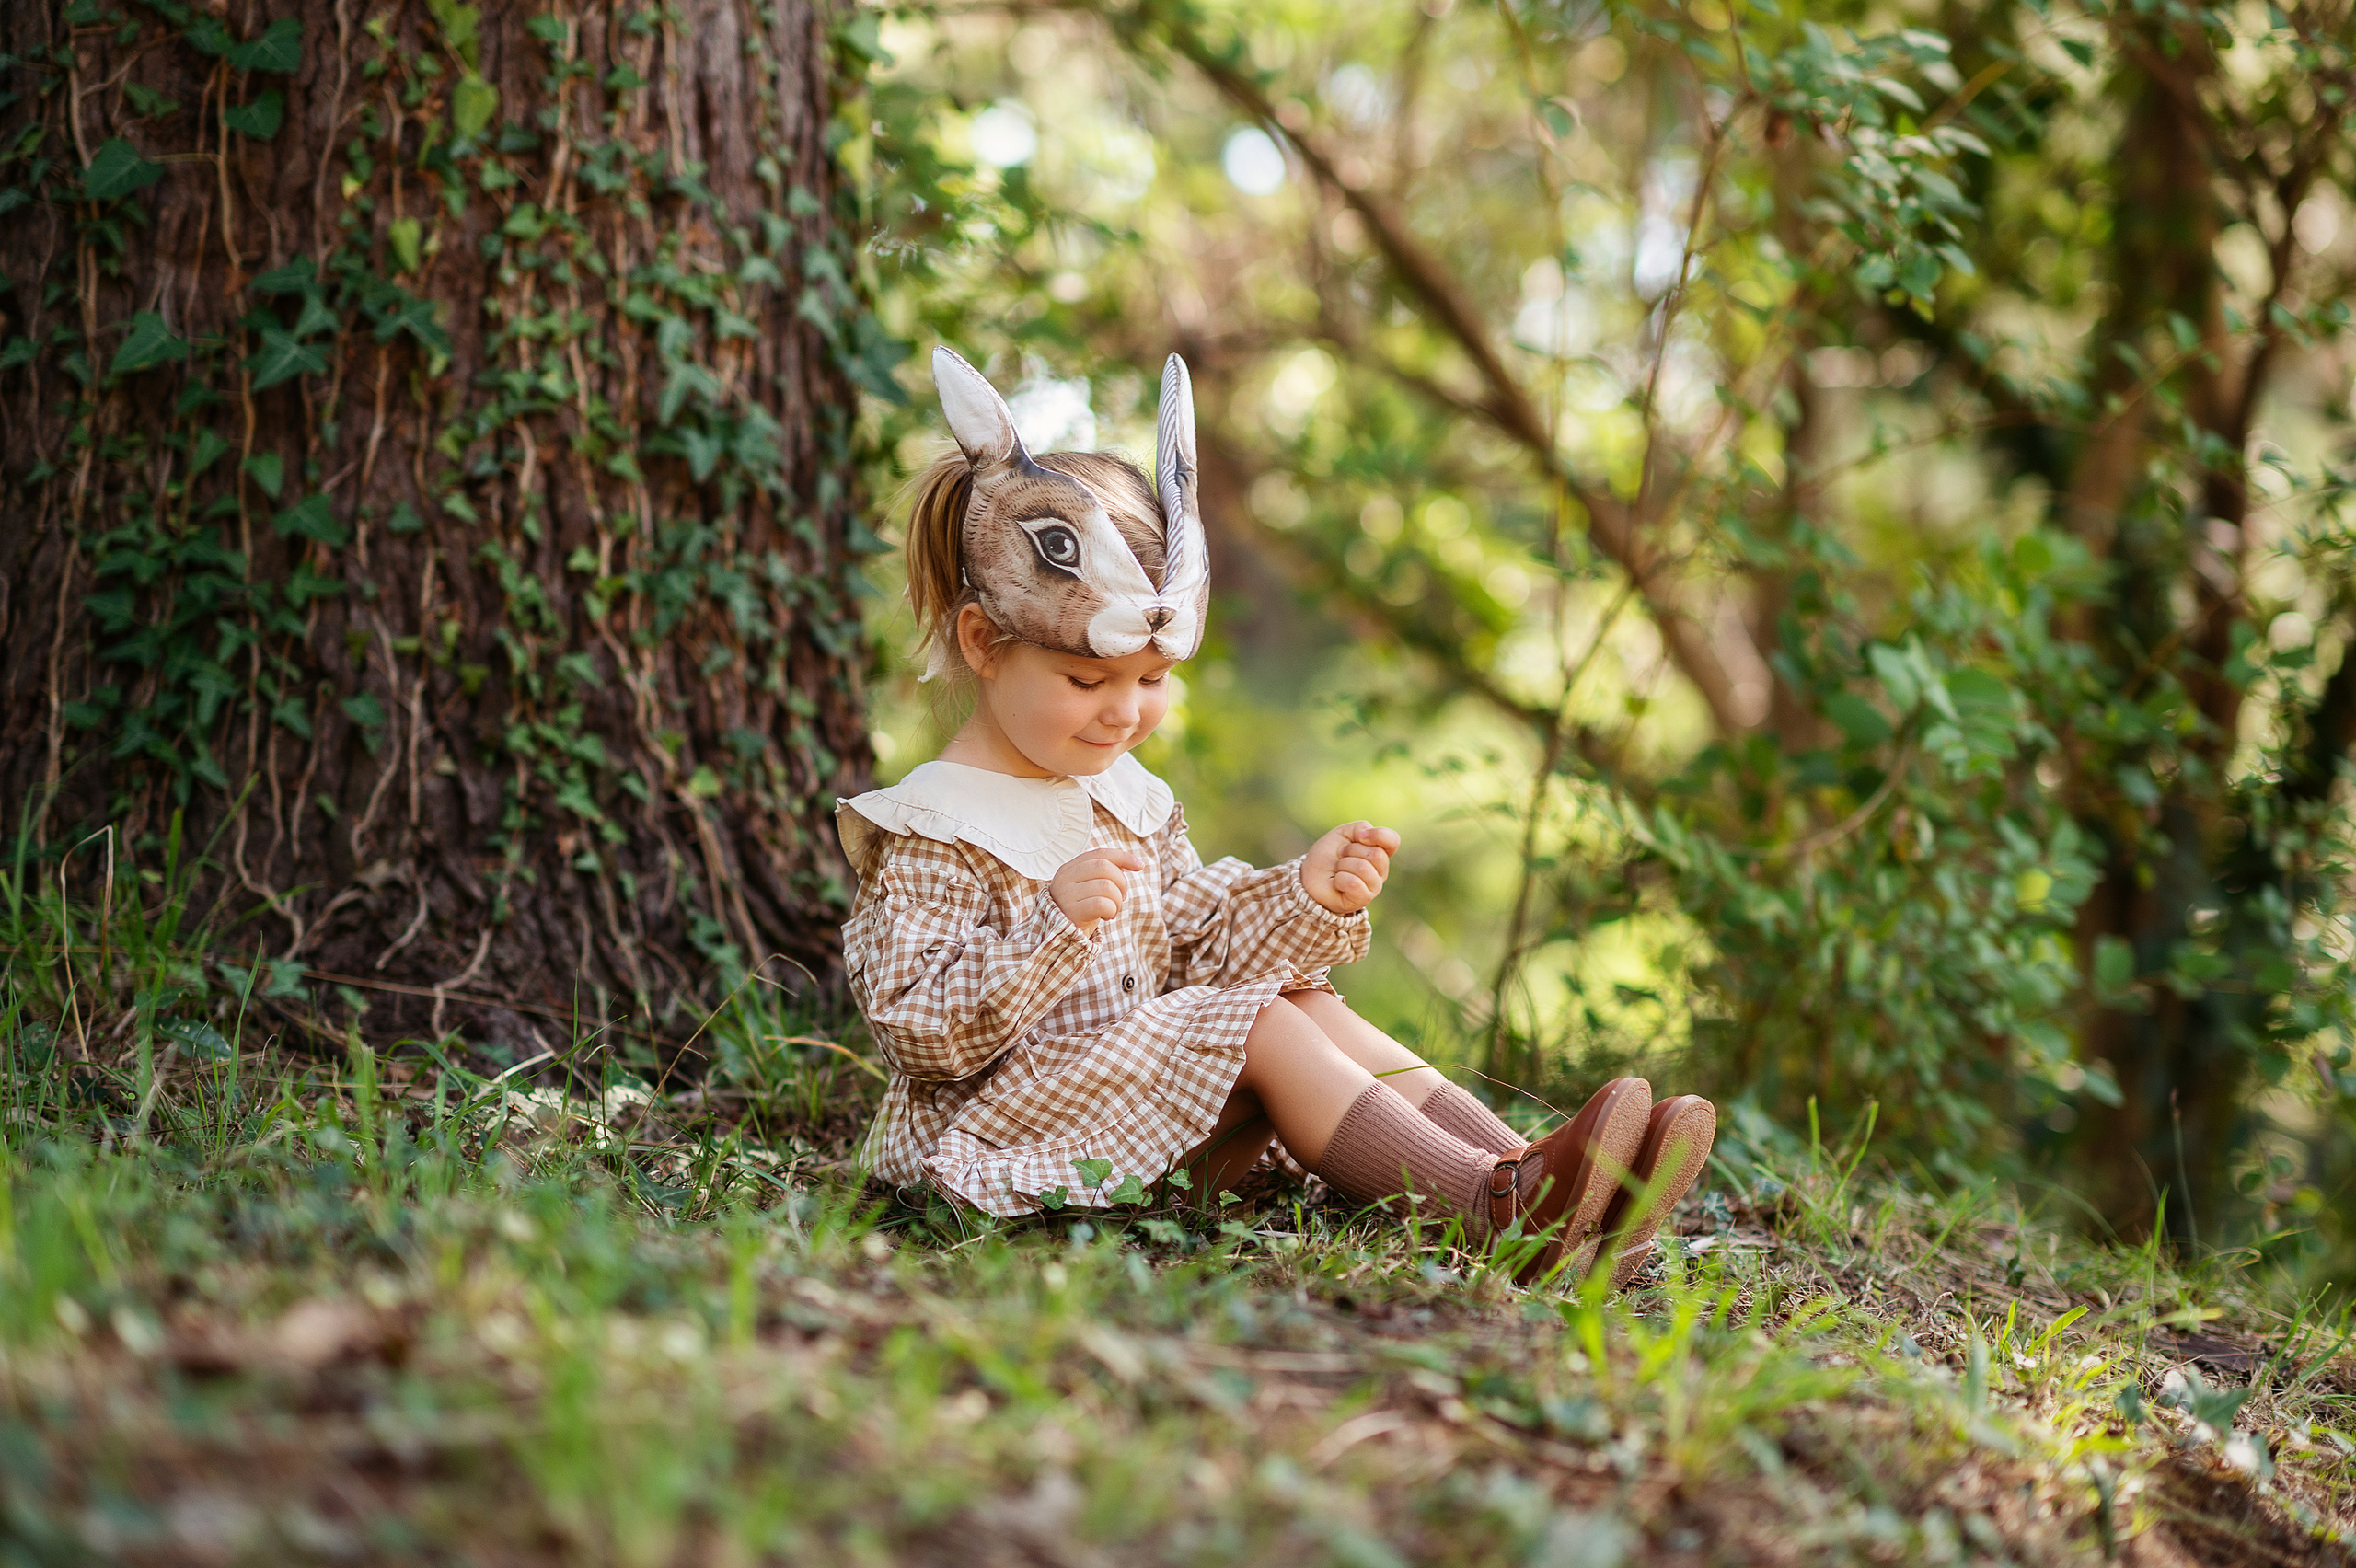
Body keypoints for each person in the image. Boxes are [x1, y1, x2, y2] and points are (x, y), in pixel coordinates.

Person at [836, 346, 1715, 1286]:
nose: (1124, 712)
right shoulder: (936, 825)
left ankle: (1540, 1183)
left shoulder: (1125, 798)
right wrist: (1051, 925)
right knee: (1258, 1024)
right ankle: (1498, 1212)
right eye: (1086, 678)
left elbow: (1198, 947)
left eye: (1152, 680)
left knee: (1298, 999)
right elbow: (913, 1028)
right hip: (1005, 1144)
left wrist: (1300, 893)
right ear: (983, 644)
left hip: (1140, 1112)